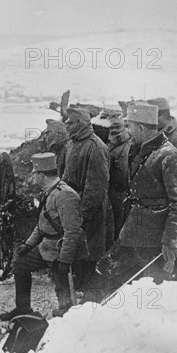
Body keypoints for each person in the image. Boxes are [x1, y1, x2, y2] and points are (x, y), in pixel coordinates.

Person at [85, 103, 177, 302]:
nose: (127, 131)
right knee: (104, 270)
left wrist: (170, 242)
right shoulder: (139, 150)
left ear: (142, 128)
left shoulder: (169, 156)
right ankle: (94, 315)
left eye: (130, 127)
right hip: (133, 232)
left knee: (153, 292)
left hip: (154, 241)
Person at [0, 153, 89, 321]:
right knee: (21, 264)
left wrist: (65, 260)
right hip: (47, 247)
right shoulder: (50, 192)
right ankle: (22, 307)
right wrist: (28, 245)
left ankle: (67, 316)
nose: (33, 178)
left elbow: (72, 232)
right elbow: (42, 226)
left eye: (35, 174)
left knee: (64, 287)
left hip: (63, 250)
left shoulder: (65, 195)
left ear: (42, 175)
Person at [62, 107, 112, 290]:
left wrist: (82, 215)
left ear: (80, 124)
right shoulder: (73, 144)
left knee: (90, 255)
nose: (66, 125)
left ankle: (90, 301)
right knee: (77, 255)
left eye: (70, 122)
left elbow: (96, 189)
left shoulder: (96, 147)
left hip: (92, 213)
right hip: (75, 206)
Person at [107, 116, 133, 241]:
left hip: (123, 196)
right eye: (112, 128)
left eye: (118, 127)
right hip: (112, 196)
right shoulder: (110, 146)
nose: (114, 130)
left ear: (126, 128)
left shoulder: (130, 145)